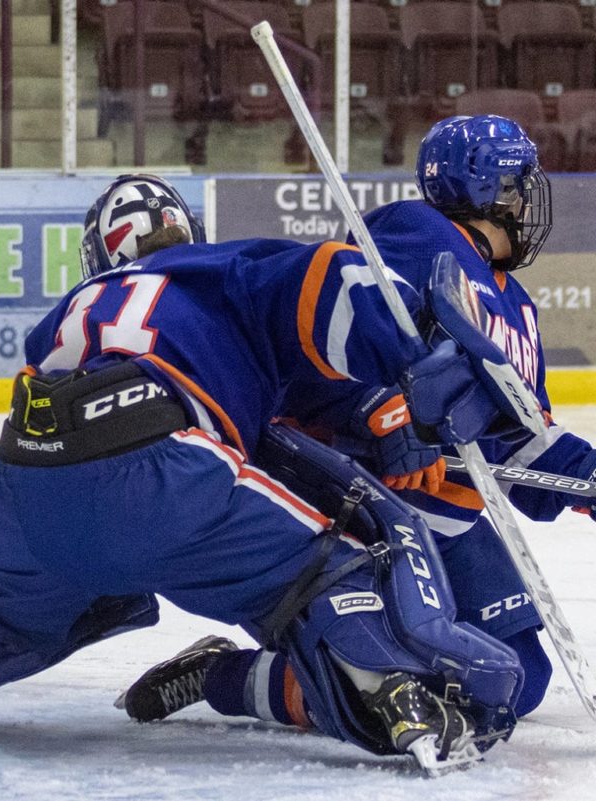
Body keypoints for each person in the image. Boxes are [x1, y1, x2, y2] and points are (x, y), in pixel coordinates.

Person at [0, 174, 537, 773]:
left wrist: (378, 407)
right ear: (190, 235)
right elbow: (333, 286)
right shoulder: (221, 271)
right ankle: (391, 691)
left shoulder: (73, 308)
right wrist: (415, 353)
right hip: (166, 475)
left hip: (21, 484)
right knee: (335, 566)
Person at [118, 115, 596, 730]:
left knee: (517, 680)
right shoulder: (417, 234)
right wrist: (378, 410)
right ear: (488, 189)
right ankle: (225, 678)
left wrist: (585, 475)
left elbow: (517, 438)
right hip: (369, 504)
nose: (527, 202)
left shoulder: (519, 308)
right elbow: (336, 338)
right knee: (408, 685)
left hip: (452, 520)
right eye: (517, 185)